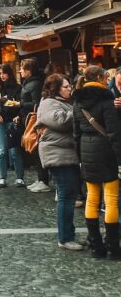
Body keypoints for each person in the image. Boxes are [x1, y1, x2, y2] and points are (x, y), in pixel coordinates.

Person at [72, 64, 121, 259]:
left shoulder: (78, 102)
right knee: (110, 199)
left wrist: (80, 157)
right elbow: (113, 133)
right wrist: (119, 158)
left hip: (86, 150)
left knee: (92, 198)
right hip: (105, 152)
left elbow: (75, 133)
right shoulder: (106, 101)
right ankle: (113, 247)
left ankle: (96, 246)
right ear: (101, 78)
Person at [36, 73, 83, 251]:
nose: (69, 88)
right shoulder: (48, 103)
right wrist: (77, 112)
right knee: (66, 195)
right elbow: (61, 122)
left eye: (69, 86)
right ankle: (65, 238)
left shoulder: (64, 102)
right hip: (57, 155)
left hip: (66, 153)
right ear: (55, 88)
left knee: (69, 194)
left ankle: (69, 234)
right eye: (65, 86)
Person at [0, 63, 25, 188]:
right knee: (2, 151)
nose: (2, 76)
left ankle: (20, 177)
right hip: (0, 122)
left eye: (4, 73)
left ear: (9, 73)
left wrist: (18, 116)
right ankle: (2, 177)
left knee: (14, 151)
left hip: (12, 121)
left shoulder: (18, 88)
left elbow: (22, 104)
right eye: (0, 73)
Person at [20, 57, 49, 193]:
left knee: (36, 148)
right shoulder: (29, 82)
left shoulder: (35, 84)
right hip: (28, 119)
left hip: (34, 120)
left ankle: (44, 180)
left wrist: (20, 104)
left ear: (29, 71)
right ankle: (40, 179)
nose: (20, 71)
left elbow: (37, 103)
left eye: (22, 69)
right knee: (34, 149)